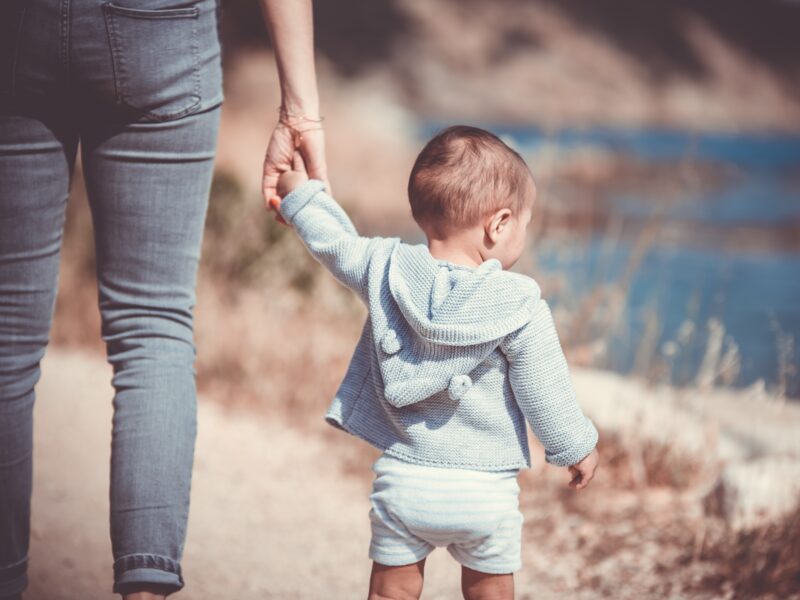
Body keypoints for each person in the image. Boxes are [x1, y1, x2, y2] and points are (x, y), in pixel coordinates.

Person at [268, 125, 600, 600]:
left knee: (391, 592)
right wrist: (575, 447)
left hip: (405, 479)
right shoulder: (518, 302)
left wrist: (298, 193)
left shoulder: (385, 268)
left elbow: (334, 242)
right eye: (526, 224)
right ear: (499, 224)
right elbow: (544, 387)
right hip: (485, 490)